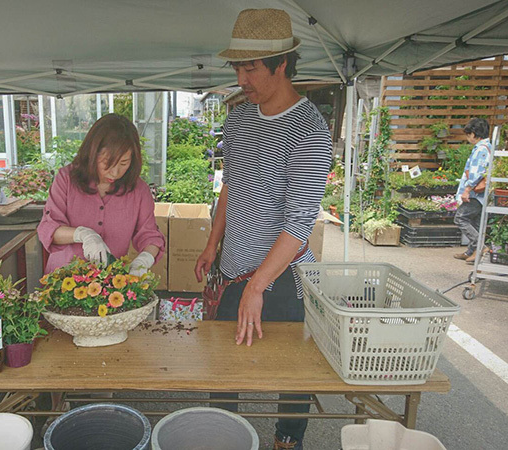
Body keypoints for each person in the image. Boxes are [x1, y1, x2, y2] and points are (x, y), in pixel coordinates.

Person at [193, 9, 332, 450]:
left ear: (283, 64)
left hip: (283, 280)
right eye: (237, 67)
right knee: (224, 368)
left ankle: (287, 441)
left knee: (291, 374)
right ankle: (221, 435)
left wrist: (259, 286)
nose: (241, 78)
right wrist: (213, 243)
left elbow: (298, 222)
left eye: (250, 68)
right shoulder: (238, 118)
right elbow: (231, 186)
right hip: (234, 271)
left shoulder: (311, 130)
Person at [37, 113, 165, 277]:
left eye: (124, 163)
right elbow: (49, 229)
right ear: (92, 153)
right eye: (107, 163)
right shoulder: (66, 180)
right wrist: (83, 234)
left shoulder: (138, 190)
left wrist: (144, 260)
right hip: (63, 281)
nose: (115, 171)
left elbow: (151, 236)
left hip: (110, 285)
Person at [453, 118, 491, 264]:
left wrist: (467, 190)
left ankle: (480, 247)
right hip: (479, 194)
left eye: (469, 135)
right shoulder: (487, 147)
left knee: (460, 218)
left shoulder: (481, 149)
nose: (468, 138)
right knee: (474, 222)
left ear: (475, 134)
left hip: (476, 193)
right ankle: (471, 251)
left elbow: (477, 172)